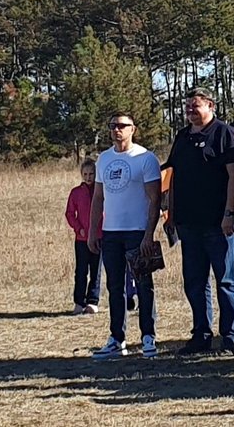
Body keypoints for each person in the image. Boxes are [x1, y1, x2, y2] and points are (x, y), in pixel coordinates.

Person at [165, 87, 234, 355]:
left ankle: (230, 336)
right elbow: (173, 177)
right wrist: (172, 215)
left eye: (195, 106)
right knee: (195, 281)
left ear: (210, 105)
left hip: (218, 223)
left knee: (226, 280)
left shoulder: (224, 133)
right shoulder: (183, 137)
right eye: (187, 106)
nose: (189, 110)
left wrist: (229, 213)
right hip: (189, 223)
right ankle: (201, 334)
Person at [89, 113, 163, 359]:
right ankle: (117, 339)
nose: (117, 130)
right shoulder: (104, 159)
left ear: (133, 129)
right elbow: (98, 198)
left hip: (137, 231)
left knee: (144, 285)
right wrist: (93, 231)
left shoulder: (145, 158)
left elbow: (155, 199)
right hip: (111, 232)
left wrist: (148, 234)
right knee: (115, 286)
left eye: (122, 126)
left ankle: (148, 336)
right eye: (113, 126)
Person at [65, 158, 102, 315]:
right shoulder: (76, 192)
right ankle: (79, 302)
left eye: (91, 174)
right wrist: (78, 228)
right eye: (85, 174)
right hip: (81, 239)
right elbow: (69, 213)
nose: (88, 177)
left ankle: (92, 301)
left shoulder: (101, 191)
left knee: (96, 270)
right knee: (81, 271)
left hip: (99, 236)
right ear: (81, 174)